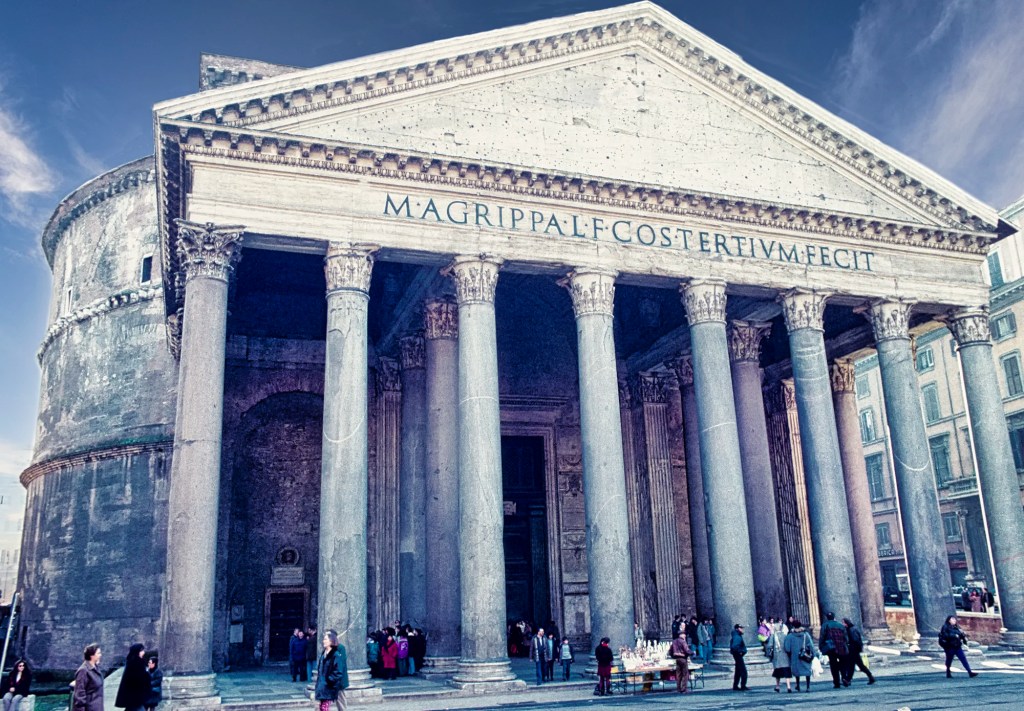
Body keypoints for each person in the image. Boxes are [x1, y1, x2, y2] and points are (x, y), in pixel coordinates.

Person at [315, 629, 350, 711]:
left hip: (337, 682)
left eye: (326, 638)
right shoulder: (325, 650)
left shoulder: (340, 648)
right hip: (325, 684)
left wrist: (330, 679)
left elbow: (340, 666)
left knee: (341, 702)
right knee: (320, 705)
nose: (324, 640)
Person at [818, 612, 850, 689]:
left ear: (827, 617)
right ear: (834, 617)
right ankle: (844, 677)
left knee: (833, 665)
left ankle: (836, 682)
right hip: (841, 647)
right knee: (843, 663)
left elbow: (822, 637)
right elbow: (846, 638)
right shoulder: (840, 625)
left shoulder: (825, 625)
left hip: (831, 648)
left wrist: (821, 646)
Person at [784, 620, 816, 692]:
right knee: (807, 670)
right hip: (805, 656)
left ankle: (798, 685)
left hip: (795, 656)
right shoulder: (805, 635)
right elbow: (811, 645)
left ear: (793, 626)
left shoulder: (790, 636)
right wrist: (814, 654)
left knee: (797, 671)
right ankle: (808, 687)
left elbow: (787, 648)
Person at [115, 643, 150, 711]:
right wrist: (147, 676)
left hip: (133, 697)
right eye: (142, 651)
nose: (143, 652)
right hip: (135, 696)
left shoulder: (133, 661)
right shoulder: (136, 662)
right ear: (138, 652)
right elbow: (138, 679)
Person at [841, 618, 875, 685]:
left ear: (846, 623)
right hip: (854, 650)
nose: (842, 624)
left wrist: (852, 647)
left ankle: (848, 680)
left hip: (853, 650)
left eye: (843, 623)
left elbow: (855, 640)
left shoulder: (851, 630)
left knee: (855, 665)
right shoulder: (851, 629)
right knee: (855, 665)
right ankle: (870, 677)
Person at [73, 644, 104, 711]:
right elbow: (79, 694)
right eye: (98, 653)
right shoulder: (83, 671)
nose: (100, 655)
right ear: (92, 655)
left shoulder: (95, 668)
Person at [767, 622, 792, 693]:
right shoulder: (785, 636)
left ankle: (777, 686)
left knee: (777, 672)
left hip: (777, 656)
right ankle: (788, 686)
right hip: (785, 656)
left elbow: (770, 645)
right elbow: (788, 646)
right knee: (786, 672)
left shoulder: (773, 636)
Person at [669, 629, 692, 693]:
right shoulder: (683, 642)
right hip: (683, 658)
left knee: (678, 674)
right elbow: (686, 650)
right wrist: (692, 653)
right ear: (681, 635)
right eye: (684, 634)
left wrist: (673, 656)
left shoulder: (674, 641)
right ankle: (684, 688)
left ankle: (678, 688)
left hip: (677, 659)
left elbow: (670, 651)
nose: (685, 636)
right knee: (685, 674)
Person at [729, 623, 748, 691]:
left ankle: (735, 685)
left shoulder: (736, 635)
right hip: (738, 655)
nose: (742, 630)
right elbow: (734, 646)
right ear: (737, 629)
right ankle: (743, 685)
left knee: (738, 671)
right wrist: (740, 651)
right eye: (741, 628)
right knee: (743, 671)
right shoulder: (737, 637)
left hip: (737, 655)